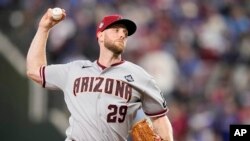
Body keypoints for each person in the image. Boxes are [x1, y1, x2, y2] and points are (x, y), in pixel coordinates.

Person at [26, 8, 173, 141]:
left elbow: (159, 118)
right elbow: (34, 70)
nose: (122, 35)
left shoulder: (139, 75)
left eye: (125, 33)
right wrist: (43, 29)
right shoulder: (75, 70)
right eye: (116, 30)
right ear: (100, 35)